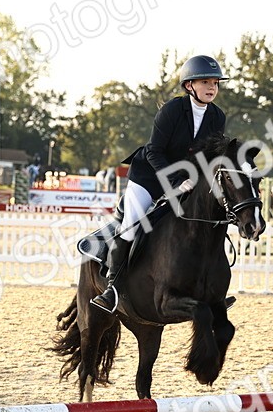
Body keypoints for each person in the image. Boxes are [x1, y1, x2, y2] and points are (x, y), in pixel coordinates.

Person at [91, 54, 228, 312]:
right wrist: (177, 180)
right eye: (206, 82)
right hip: (149, 178)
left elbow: (210, 156)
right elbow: (154, 151)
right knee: (133, 225)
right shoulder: (172, 110)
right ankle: (112, 288)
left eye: (216, 83)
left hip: (186, 181)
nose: (212, 87)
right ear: (190, 86)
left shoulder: (217, 116)